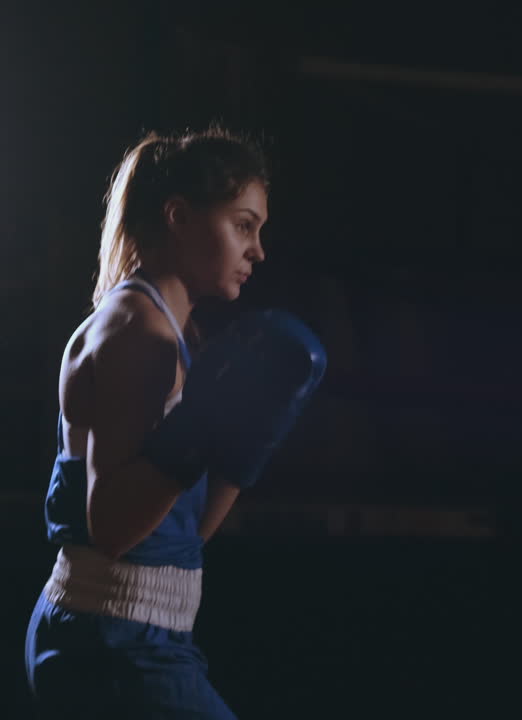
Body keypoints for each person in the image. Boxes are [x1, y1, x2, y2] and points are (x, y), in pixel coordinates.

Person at [25, 127, 326, 718]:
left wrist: (240, 451)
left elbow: (181, 538)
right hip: (111, 641)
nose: (257, 250)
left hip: (134, 636)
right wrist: (199, 432)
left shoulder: (175, 332)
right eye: (243, 225)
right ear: (179, 217)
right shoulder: (140, 332)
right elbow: (111, 526)